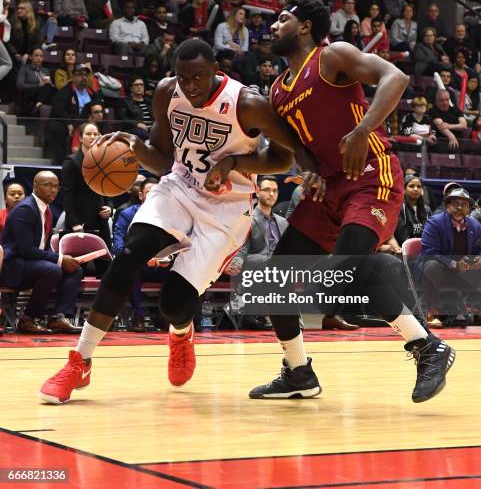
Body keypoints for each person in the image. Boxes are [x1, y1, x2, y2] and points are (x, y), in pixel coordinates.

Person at [39, 38, 316, 404]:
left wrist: (234, 164)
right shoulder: (169, 93)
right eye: (184, 77)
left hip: (227, 207)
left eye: (199, 76)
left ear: (217, 69)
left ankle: (181, 333)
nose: (191, 85)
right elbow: (161, 159)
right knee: (129, 256)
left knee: (174, 304)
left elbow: (283, 158)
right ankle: (80, 361)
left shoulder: (248, 104)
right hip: (179, 189)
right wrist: (135, 149)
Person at [248, 0, 455, 403]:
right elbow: (296, 145)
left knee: (349, 270)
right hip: (328, 188)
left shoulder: (333, 56)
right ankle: (298, 373)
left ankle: (428, 347)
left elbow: (395, 77)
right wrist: (307, 168)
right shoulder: (276, 89)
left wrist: (362, 130)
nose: (274, 26)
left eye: (283, 19)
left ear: (305, 27)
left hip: (370, 176)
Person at [0, 171, 82, 334]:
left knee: (75, 270)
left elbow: (41, 247)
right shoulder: (25, 209)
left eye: (56, 187)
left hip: (30, 264)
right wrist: (59, 259)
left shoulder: (45, 209)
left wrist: (65, 259)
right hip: (14, 267)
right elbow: (26, 250)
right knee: (52, 269)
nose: (53, 190)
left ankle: (58, 317)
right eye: (48, 185)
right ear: (35, 187)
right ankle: (28, 319)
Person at [416, 187, 481, 329]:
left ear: (469, 208)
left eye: (464, 205)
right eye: (455, 203)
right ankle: (431, 314)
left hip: (463, 272)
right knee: (432, 266)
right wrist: (454, 264)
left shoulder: (476, 226)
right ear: (447, 205)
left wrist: (478, 260)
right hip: (438, 270)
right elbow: (429, 252)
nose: (459, 207)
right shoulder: (434, 223)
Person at [113, 177, 165, 332]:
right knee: (131, 270)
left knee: (180, 269)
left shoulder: (170, 215)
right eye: (149, 192)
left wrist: (168, 257)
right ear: (141, 195)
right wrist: (141, 258)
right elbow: (118, 245)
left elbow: (178, 242)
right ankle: (138, 316)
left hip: (161, 264)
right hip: (138, 265)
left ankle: (168, 316)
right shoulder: (127, 214)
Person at [62, 122, 112, 248]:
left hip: (100, 222)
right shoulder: (71, 162)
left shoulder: (103, 161)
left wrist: (109, 208)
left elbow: (107, 190)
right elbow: (67, 195)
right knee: (78, 265)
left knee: (105, 264)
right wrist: (74, 223)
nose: (92, 137)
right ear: (80, 138)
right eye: (88, 134)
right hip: (80, 222)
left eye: (95, 134)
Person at [394, 175, 432, 245]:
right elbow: (401, 236)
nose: (415, 189)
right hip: (403, 248)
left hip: (423, 247)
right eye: (411, 186)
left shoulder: (427, 209)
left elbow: (429, 233)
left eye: (419, 187)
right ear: (404, 189)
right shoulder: (399, 208)